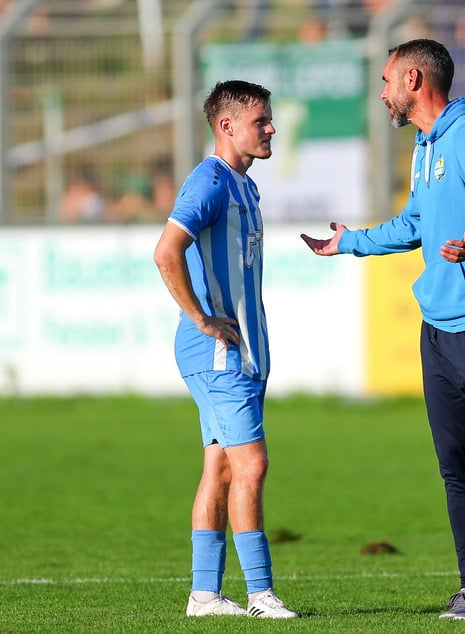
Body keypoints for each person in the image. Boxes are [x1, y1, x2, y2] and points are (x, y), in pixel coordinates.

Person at [301, 38, 465, 622]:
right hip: (437, 327)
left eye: (385, 81)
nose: (381, 92)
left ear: (412, 79)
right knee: (455, 464)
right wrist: (349, 242)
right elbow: (413, 223)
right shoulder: (424, 146)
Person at [153, 80, 297, 620]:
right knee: (251, 465)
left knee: (220, 469)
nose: (271, 128)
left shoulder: (245, 185)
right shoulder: (210, 181)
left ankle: (205, 596)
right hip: (218, 355)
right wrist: (201, 318)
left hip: (243, 353)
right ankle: (261, 594)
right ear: (227, 126)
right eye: (261, 120)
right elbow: (167, 251)